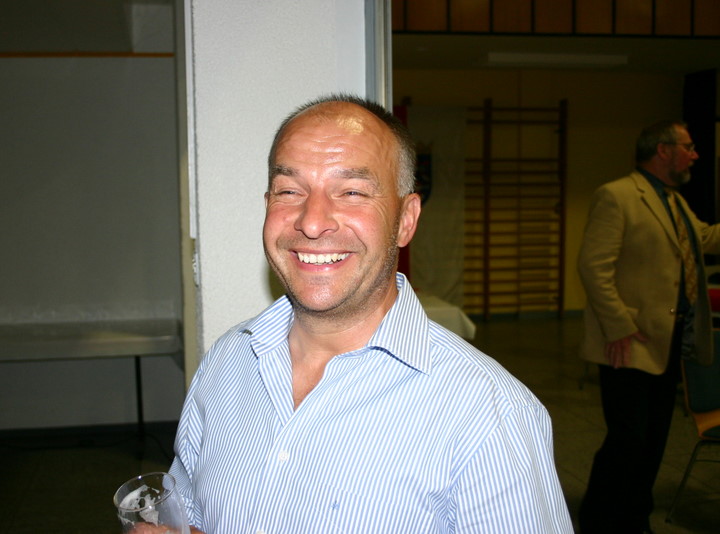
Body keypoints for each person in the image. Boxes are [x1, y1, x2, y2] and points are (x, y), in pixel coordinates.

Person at [169, 94, 573, 533]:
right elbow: (188, 510)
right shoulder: (227, 360)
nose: (312, 221)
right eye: (289, 191)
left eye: (352, 192)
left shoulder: (489, 414)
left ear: (405, 220)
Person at [577, 120, 720, 533]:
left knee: (654, 438)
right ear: (662, 150)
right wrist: (620, 327)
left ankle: (635, 517)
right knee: (628, 439)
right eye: (688, 147)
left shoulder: (674, 201)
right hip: (630, 340)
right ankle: (599, 520)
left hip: (668, 340)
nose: (694, 155)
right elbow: (594, 267)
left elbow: (702, 239)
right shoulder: (618, 195)